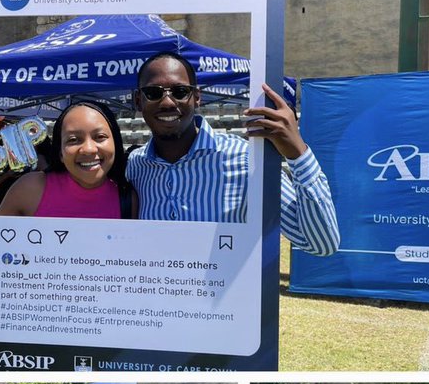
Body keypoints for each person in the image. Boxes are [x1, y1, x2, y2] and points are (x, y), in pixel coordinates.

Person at [126, 51, 339, 254]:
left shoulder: (245, 160)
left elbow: (321, 244)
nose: (167, 102)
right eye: (153, 93)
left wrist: (297, 153)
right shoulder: (134, 168)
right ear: (138, 100)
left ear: (197, 97)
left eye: (180, 92)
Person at [0, 101, 134, 254]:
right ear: (60, 153)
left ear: (115, 143)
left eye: (100, 137)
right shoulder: (32, 189)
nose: (89, 149)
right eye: (73, 140)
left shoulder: (129, 198)